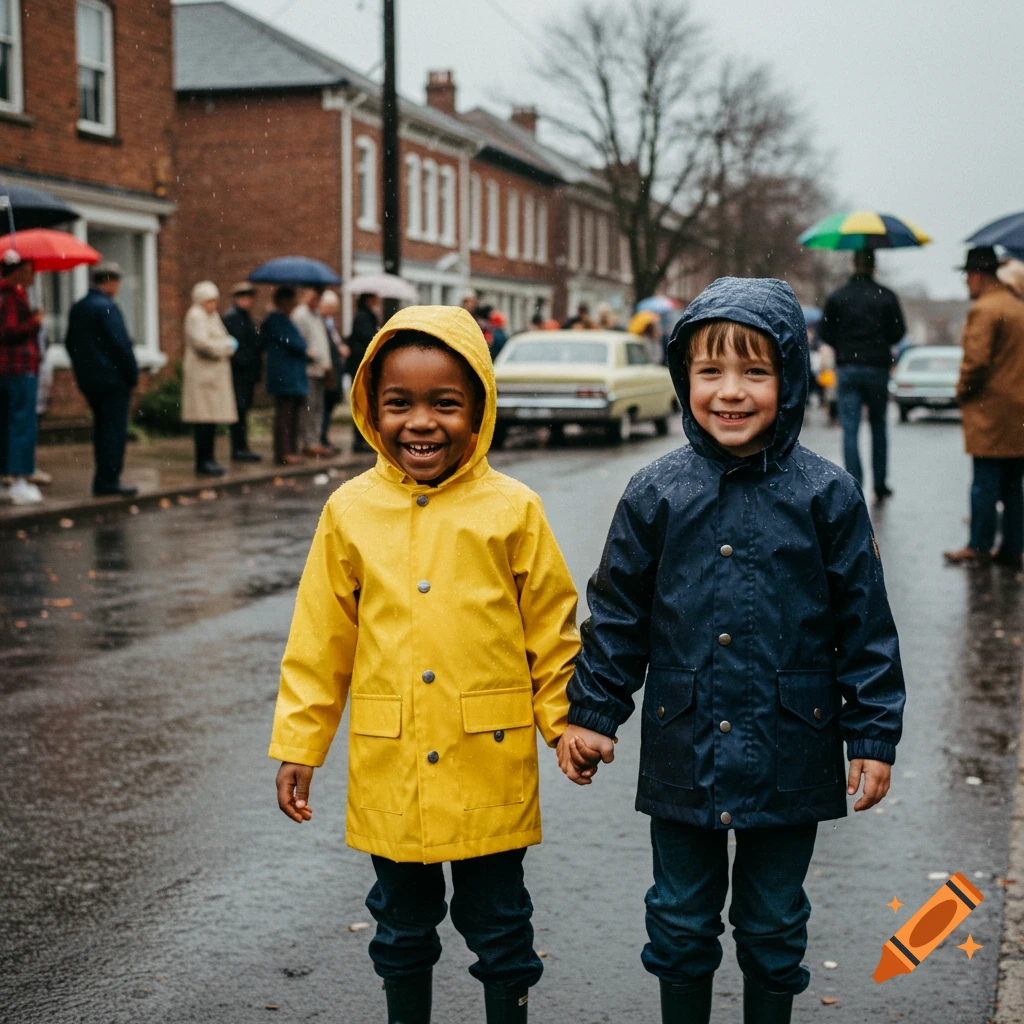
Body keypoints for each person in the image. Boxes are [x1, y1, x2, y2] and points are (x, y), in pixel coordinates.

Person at [558, 277, 905, 1024]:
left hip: (794, 743)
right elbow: (618, 615)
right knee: (680, 921)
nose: (731, 392)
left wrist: (872, 733)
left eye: (755, 371)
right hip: (685, 742)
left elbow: (865, 625)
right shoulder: (657, 490)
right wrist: (592, 712)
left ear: (790, 376)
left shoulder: (827, 494)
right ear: (685, 380)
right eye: (710, 372)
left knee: (775, 924)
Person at [270, 305, 580, 1024]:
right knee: (402, 930)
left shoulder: (513, 510)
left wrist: (565, 725)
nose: (421, 423)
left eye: (446, 404)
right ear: (370, 411)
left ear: (479, 412)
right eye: (398, 404)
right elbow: (320, 640)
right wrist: (298, 743)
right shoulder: (350, 511)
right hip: (394, 763)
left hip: (488, 760)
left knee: (501, 927)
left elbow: (553, 631)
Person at [944, 247, 1024, 569]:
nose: (967, 283)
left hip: (990, 411)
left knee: (984, 484)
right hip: (1018, 411)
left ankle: (979, 545)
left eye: (967, 276)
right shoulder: (1019, 306)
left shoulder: (985, 310)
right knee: (1013, 487)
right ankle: (1014, 547)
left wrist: (962, 391)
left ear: (978, 275)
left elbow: (976, 363)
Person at [820, 249, 905, 500]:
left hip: (848, 367)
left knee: (850, 428)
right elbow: (898, 333)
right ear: (874, 266)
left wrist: (844, 345)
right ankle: (880, 483)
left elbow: (825, 332)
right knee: (879, 425)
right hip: (877, 367)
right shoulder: (887, 296)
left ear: (852, 264)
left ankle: (854, 484)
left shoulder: (838, 296)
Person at [64, 262, 139, 496]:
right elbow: (120, 345)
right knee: (113, 431)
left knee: (102, 429)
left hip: (90, 381)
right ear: (111, 282)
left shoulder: (79, 307)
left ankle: (103, 479)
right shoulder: (107, 307)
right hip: (112, 381)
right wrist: (131, 374)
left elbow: (70, 343)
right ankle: (109, 480)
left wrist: (84, 369)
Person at [182, 281, 238, 476]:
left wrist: (225, 343)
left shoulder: (211, 316)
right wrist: (227, 347)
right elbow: (202, 343)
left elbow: (221, 337)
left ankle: (210, 459)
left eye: (215, 301)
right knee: (203, 422)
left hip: (212, 377)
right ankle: (203, 461)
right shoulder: (196, 316)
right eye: (209, 301)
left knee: (210, 421)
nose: (213, 305)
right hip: (202, 378)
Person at [0, 253, 43, 505]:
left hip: (8, 369)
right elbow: (8, 331)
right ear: (15, 271)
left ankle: (7, 477)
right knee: (21, 424)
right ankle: (18, 480)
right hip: (19, 368)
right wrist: (34, 323)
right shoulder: (10, 297)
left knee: (7, 423)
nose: (32, 276)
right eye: (28, 270)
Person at [263, 286, 309, 466]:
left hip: (289, 375)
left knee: (290, 415)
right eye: (290, 302)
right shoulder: (277, 320)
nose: (293, 305)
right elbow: (297, 344)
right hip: (284, 376)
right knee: (285, 415)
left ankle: (288, 450)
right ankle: (284, 452)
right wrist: (302, 345)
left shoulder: (283, 320)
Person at [222, 281, 263, 463]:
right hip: (239, 374)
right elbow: (235, 347)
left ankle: (242, 447)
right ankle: (238, 448)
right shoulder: (232, 318)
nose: (248, 301)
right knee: (238, 411)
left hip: (247, 374)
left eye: (250, 298)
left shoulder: (246, 318)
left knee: (243, 411)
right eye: (244, 298)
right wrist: (244, 361)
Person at [346, 291, 380, 453]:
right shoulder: (362, 317)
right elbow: (367, 337)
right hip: (360, 363)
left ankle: (361, 439)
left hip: (362, 362)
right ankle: (359, 440)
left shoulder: (366, 316)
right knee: (362, 400)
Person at [318, 289, 349, 452]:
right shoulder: (320, 323)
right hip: (327, 372)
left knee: (327, 408)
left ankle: (324, 438)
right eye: (332, 307)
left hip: (335, 370)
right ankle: (322, 439)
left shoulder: (329, 323)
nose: (333, 311)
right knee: (323, 407)